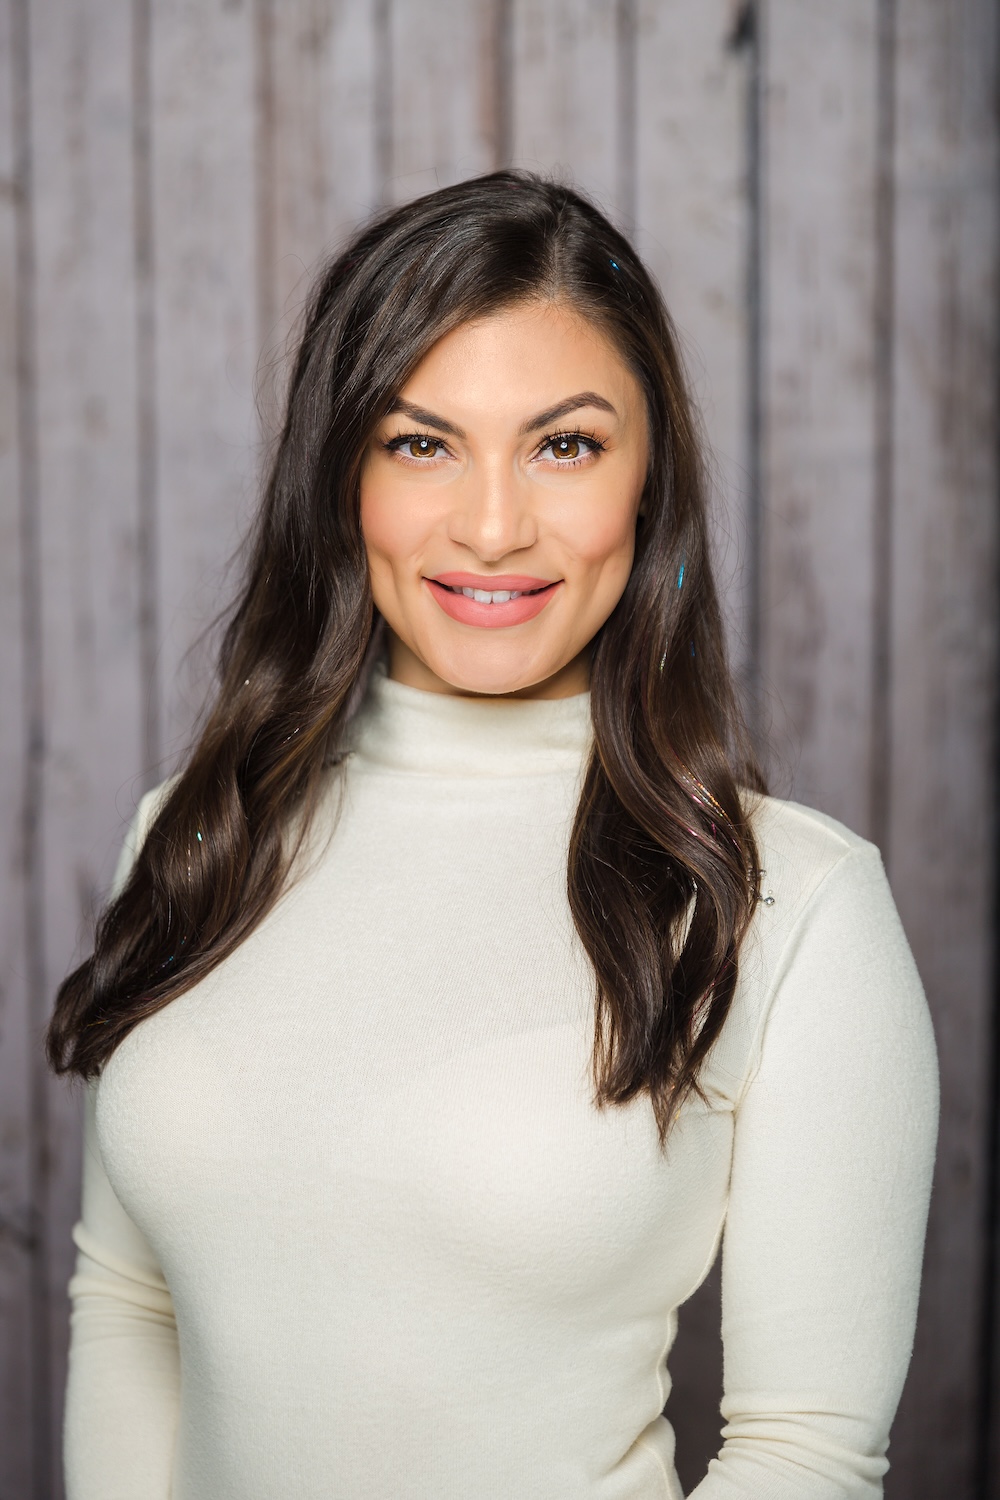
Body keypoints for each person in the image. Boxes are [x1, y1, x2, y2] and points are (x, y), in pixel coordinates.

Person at [48, 171, 938, 1500]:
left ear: (650, 485)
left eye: (565, 445)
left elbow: (803, 1450)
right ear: (341, 474)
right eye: (422, 442)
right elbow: (132, 1305)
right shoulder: (194, 835)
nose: (492, 524)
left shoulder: (790, 903)